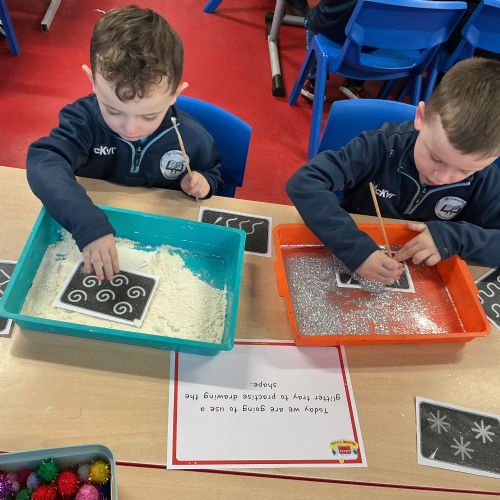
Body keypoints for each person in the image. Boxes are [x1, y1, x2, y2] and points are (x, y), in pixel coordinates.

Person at [27, 6, 223, 282]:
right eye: (113, 110)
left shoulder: (191, 136)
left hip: (161, 236)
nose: (130, 128)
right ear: (92, 82)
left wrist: (205, 182)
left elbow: (213, 172)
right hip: (94, 219)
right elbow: (44, 161)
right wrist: (87, 224)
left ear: (174, 95)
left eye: (149, 116)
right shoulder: (83, 120)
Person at [287, 58, 500, 283]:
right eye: (436, 158)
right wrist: (357, 250)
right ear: (421, 118)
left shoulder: (486, 180)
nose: (442, 177)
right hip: (352, 247)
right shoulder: (380, 146)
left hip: (426, 274)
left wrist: (455, 238)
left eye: (465, 170)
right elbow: (305, 182)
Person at [301, 0, 366, 101]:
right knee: (372, 25)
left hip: (330, 28)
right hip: (366, 42)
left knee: (311, 19)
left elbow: (313, 4)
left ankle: (315, 82)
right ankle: (355, 83)